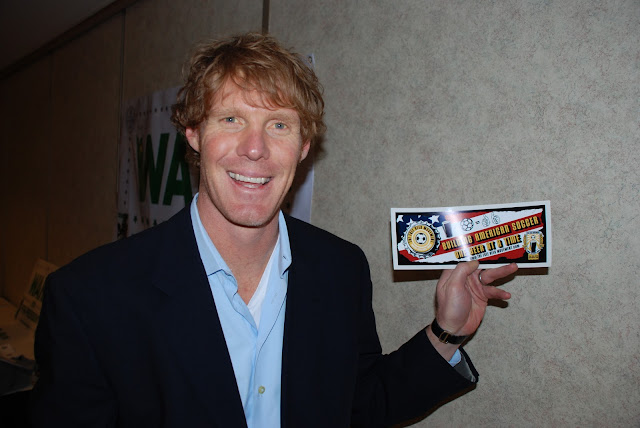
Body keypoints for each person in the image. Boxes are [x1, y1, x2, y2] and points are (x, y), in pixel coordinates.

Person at [30, 32, 518, 427]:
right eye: (231, 119)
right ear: (193, 134)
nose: (255, 148)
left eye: (279, 125)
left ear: (303, 146)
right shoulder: (89, 299)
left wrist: (446, 333)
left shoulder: (341, 267)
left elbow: (359, 404)